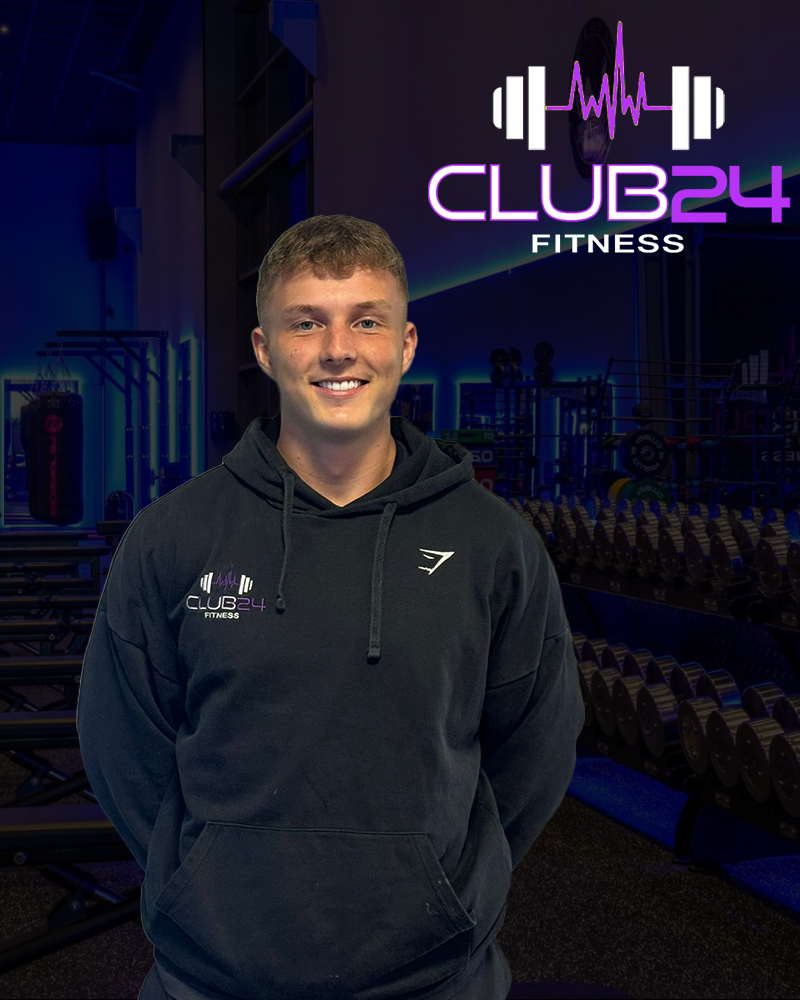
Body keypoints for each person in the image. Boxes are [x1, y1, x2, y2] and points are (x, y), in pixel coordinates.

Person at [77, 215, 585, 1000]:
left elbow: (536, 748)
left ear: (405, 345)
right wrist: (203, 884)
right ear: (264, 348)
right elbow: (122, 743)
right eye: (307, 322)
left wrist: (445, 890)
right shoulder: (173, 535)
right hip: (214, 979)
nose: (338, 349)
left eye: (366, 321)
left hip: (435, 979)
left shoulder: (494, 544)